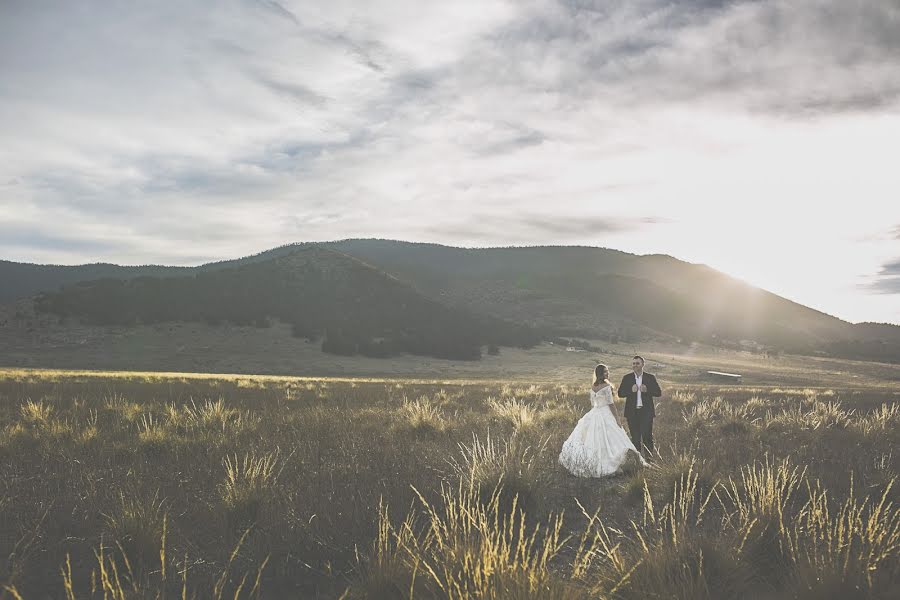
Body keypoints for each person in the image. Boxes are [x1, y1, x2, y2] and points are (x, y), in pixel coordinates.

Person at [559, 364, 645, 477]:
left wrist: (592, 416)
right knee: (611, 437)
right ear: (600, 373)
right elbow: (611, 404)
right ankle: (609, 464)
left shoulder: (593, 387)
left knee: (597, 439)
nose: (607, 373)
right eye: (605, 372)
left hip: (595, 412)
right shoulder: (606, 386)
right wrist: (617, 419)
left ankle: (600, 463)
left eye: (607, 371)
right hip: (605, 413)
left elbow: (592, 404)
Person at [617, 355, 662, 457]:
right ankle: (637, 461)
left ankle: (649, 460)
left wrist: (647, 390)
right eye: (633, 363)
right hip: (632, 413)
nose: (635, 365)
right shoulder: (627, 378)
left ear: (643, 365)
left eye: (637, 363)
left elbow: (658, 392)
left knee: (647, 437)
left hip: (646, 412)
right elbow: (620, 393)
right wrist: (630, 391)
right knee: (635, 438)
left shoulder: (650, 378)